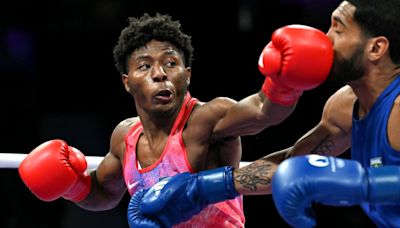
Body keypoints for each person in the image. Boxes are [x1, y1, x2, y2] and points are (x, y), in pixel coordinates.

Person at [17, 13, 333, 228]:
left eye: (171, 62)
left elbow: (265, 112)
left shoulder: (206, 119)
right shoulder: (124, 137)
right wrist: (72, 185)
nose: (160, 73)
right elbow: (105, 195)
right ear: (127, 82)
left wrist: (283, 84)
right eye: (145, 66)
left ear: (188, 74)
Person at [127, 0, 400, 227]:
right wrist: (200, 188)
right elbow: (294, 164)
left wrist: (362, 185)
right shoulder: (344, 106)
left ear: (376, 48)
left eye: (338, 32)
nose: (326, 40)